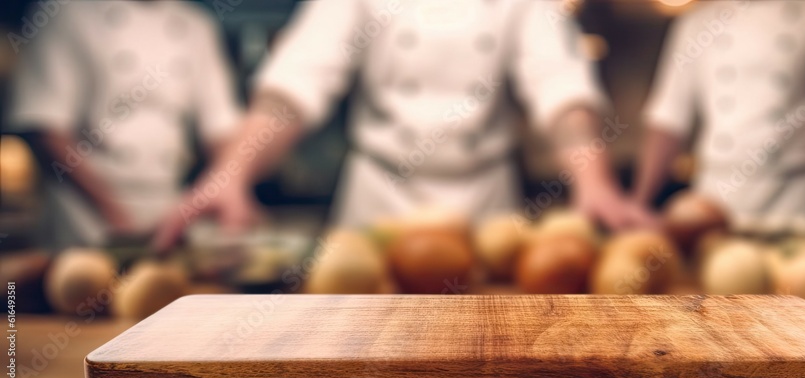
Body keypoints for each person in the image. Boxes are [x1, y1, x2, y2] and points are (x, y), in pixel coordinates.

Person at [153, 0, 653, 251]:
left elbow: (560, 89)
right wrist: (231, 173)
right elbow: (296, 85)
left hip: (483, 216)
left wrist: (594, 181)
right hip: (378, 208)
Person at [7, 1, 242, 251]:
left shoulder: (197, 25)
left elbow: (222, 128)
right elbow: (45, 128)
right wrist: (114, 214)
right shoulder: (65, 12)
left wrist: (232, 186)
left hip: (169, 207)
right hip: (82, 215)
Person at [633, 0, 805, 225]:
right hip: (713, 195)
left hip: (796, 197)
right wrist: (640, 201)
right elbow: (668, 118)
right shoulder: (695, 23)